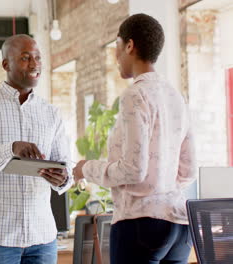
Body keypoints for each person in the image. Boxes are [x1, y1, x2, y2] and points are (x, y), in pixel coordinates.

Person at [72, 14, 197, 264]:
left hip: (140, 223)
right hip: (179, 224)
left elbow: (134, 170)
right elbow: (188, 169)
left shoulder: (135, 95)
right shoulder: (175, 96)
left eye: (116, 47)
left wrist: (86, 168)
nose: (116, 56)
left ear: (129, 45)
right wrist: (161, 183)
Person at [0, 34, 74, 264]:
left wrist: (63, 179)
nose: (34, 64)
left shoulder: (51, 113)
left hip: (42, 237)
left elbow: (66, 166)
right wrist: (11, 149)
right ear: (6, 64)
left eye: (38, 58)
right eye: (25, 58)